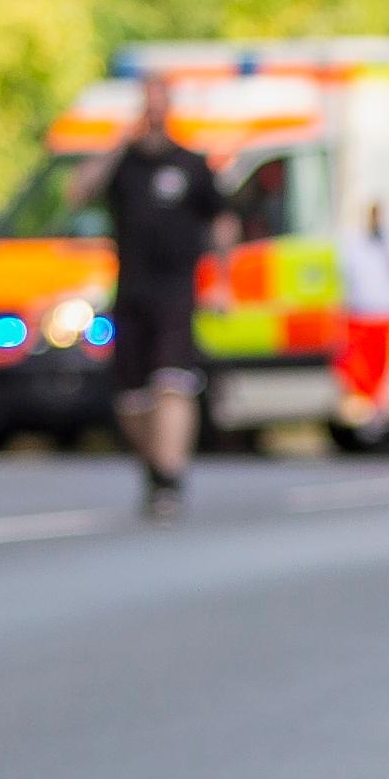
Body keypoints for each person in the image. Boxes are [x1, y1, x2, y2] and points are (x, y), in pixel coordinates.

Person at [67, 75, 233, 517]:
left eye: (162, 105)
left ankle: (171, 478)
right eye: (148, 106)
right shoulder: (123, 164)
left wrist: (222, 280)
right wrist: (119, 141)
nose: (155, 114)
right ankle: (156, 469)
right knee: (132, 399)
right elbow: (78, 194)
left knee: (173, 383)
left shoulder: (193, 165)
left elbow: (221, 222)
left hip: (177, 292)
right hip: (131, 293)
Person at [335, 201, 389, 433]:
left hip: (384, 312)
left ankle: (378, 413)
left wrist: (388, 248)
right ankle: (362, 410)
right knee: (357, 368)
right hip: (360, 312)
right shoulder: (354, 241)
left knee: (381, 368)